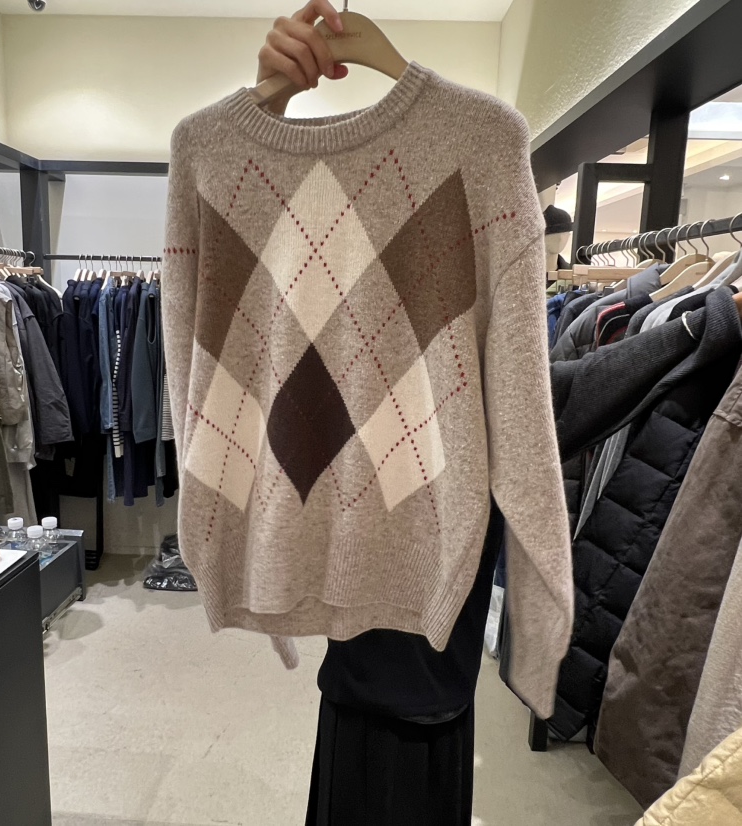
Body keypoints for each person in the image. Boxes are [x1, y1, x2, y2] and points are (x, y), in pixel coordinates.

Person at [253, 6, 742, 823]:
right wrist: (269, 99)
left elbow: (582, 390)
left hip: (419, 696)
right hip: (375, 688)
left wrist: (695, 326)